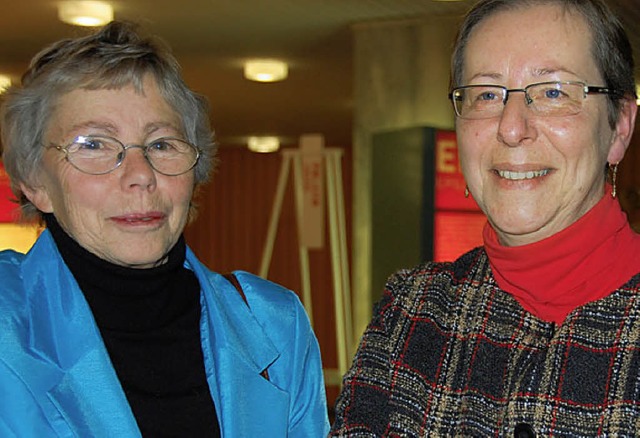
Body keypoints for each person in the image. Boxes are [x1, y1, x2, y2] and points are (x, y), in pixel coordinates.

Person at [0, 21, 329, 437]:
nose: (141, 175)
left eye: (161, 145)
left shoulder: (274, 324)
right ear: (35, 182)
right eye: (94, 145)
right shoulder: (7, 323)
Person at [331, 0, 640, 436]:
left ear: (619, 126)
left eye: (553, 92)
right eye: (486, 94)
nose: (512, 128)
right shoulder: (412, 316)